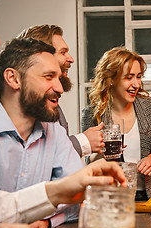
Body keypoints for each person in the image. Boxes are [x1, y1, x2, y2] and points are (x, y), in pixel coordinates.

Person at [0, 1, 126, 228]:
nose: (60, 89)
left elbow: (78, 201)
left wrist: (47, 222)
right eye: (48, 76)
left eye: (59, 78)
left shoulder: (53, 131)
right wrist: (56, 196)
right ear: (13, 79)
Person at [81, 47, 151, 201]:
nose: (136, 84)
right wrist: (103, 152)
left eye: (138, 77)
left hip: (148, 196)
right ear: (111, 79)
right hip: (109, 197)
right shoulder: (92, 114)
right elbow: (88, 161)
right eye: (128, 77)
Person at [17, 24, 104, 157]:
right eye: (63, 52)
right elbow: (38, 155)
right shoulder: (27, 102)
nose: (71, 59)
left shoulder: (50, 98)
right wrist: (84, 141)